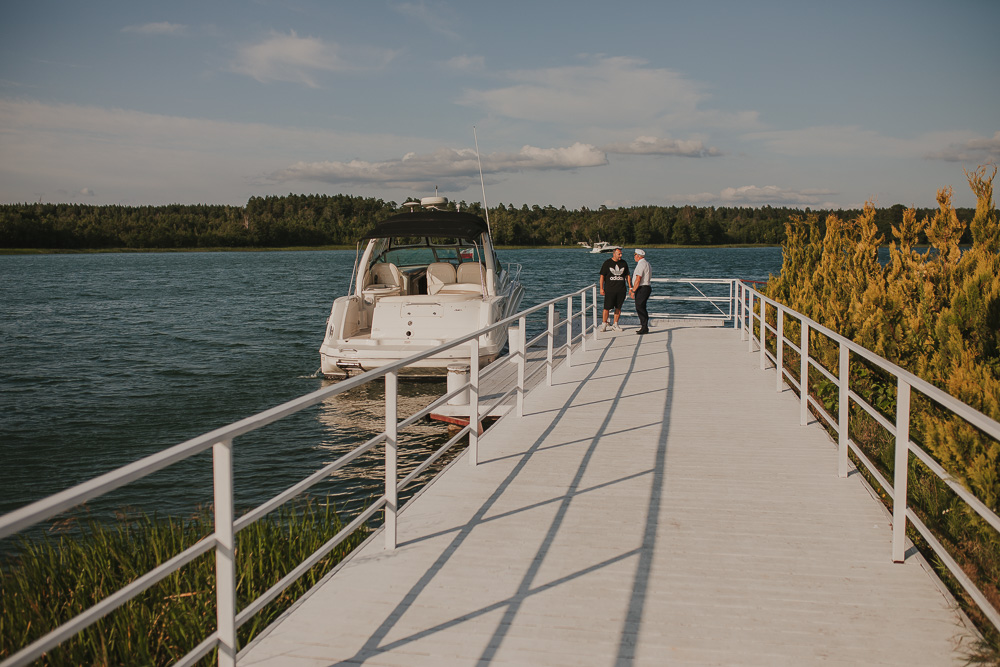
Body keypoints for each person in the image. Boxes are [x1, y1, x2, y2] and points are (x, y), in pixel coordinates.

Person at [599, 247, 631, 332]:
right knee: (606, 308)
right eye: (619, 254)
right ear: (614, 254)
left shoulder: (624, 263)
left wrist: (630, 287)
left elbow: (627, 276)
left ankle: (615, 324)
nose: (620, 255)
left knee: (618, 307)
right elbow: (602, 276)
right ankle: (604, 324)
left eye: (621, 254)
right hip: (609, 289)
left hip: (621, 289)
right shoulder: (607, 263)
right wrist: (601, 288)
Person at [630, 249, 652, 335]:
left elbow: (638, 279)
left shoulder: (641, 264)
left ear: (638, 256)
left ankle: (644, 327)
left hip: (642, 288)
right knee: (642, 307)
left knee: (640, 307)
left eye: (635, 255)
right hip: (646, 287)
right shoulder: (647, 263)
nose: (634, 257)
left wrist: (633, 290)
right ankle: (644, 326)